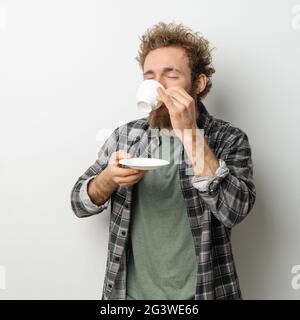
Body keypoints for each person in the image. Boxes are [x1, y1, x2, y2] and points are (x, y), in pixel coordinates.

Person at [70, 21, 256, 300]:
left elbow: (235, 211)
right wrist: (107, 180)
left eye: (170, 75)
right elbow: (78, 203)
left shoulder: (228, 139)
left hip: (204, 294)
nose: (157, 86)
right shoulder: (126, 136)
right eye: (150, 76)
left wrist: (190, 134)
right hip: (129, 296)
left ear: (198, 83)